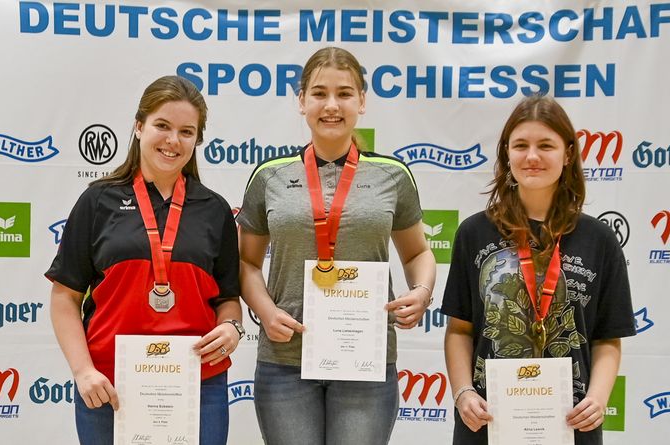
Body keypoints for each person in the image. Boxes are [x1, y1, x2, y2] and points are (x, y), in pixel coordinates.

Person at [237, 46, 436, 445]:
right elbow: (246, 262)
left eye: (344, 93)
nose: (331, 105)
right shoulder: (269, 175)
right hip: (286, 360)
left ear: (362, 101)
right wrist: (265, 311)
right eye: (319, 93)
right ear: (302, 101)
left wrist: (422, 291)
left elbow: (418, 253)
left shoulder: (393, 175)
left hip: (365, 359)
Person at [46, 75, 242, 445]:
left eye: (186, 131)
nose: (173, 140)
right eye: (162, 126)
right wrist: (83, 371)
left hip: (198, 383)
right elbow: (64, 297)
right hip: (108, 384)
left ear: (197, 140)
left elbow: (228, 298)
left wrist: (232, 328)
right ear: (139, 127)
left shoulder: (215, 210)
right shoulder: (97, 201)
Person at [441, 95, 636, 445]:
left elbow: (608, 337)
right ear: (507, 153)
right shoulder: (473, 233)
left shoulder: (600, 239)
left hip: (571, 423)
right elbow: (459, 330)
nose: (532, 156)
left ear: (568, 154)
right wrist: (463, 393)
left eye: (545, 145)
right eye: (520, 145)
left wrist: (597, 399)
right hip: (487, 422)